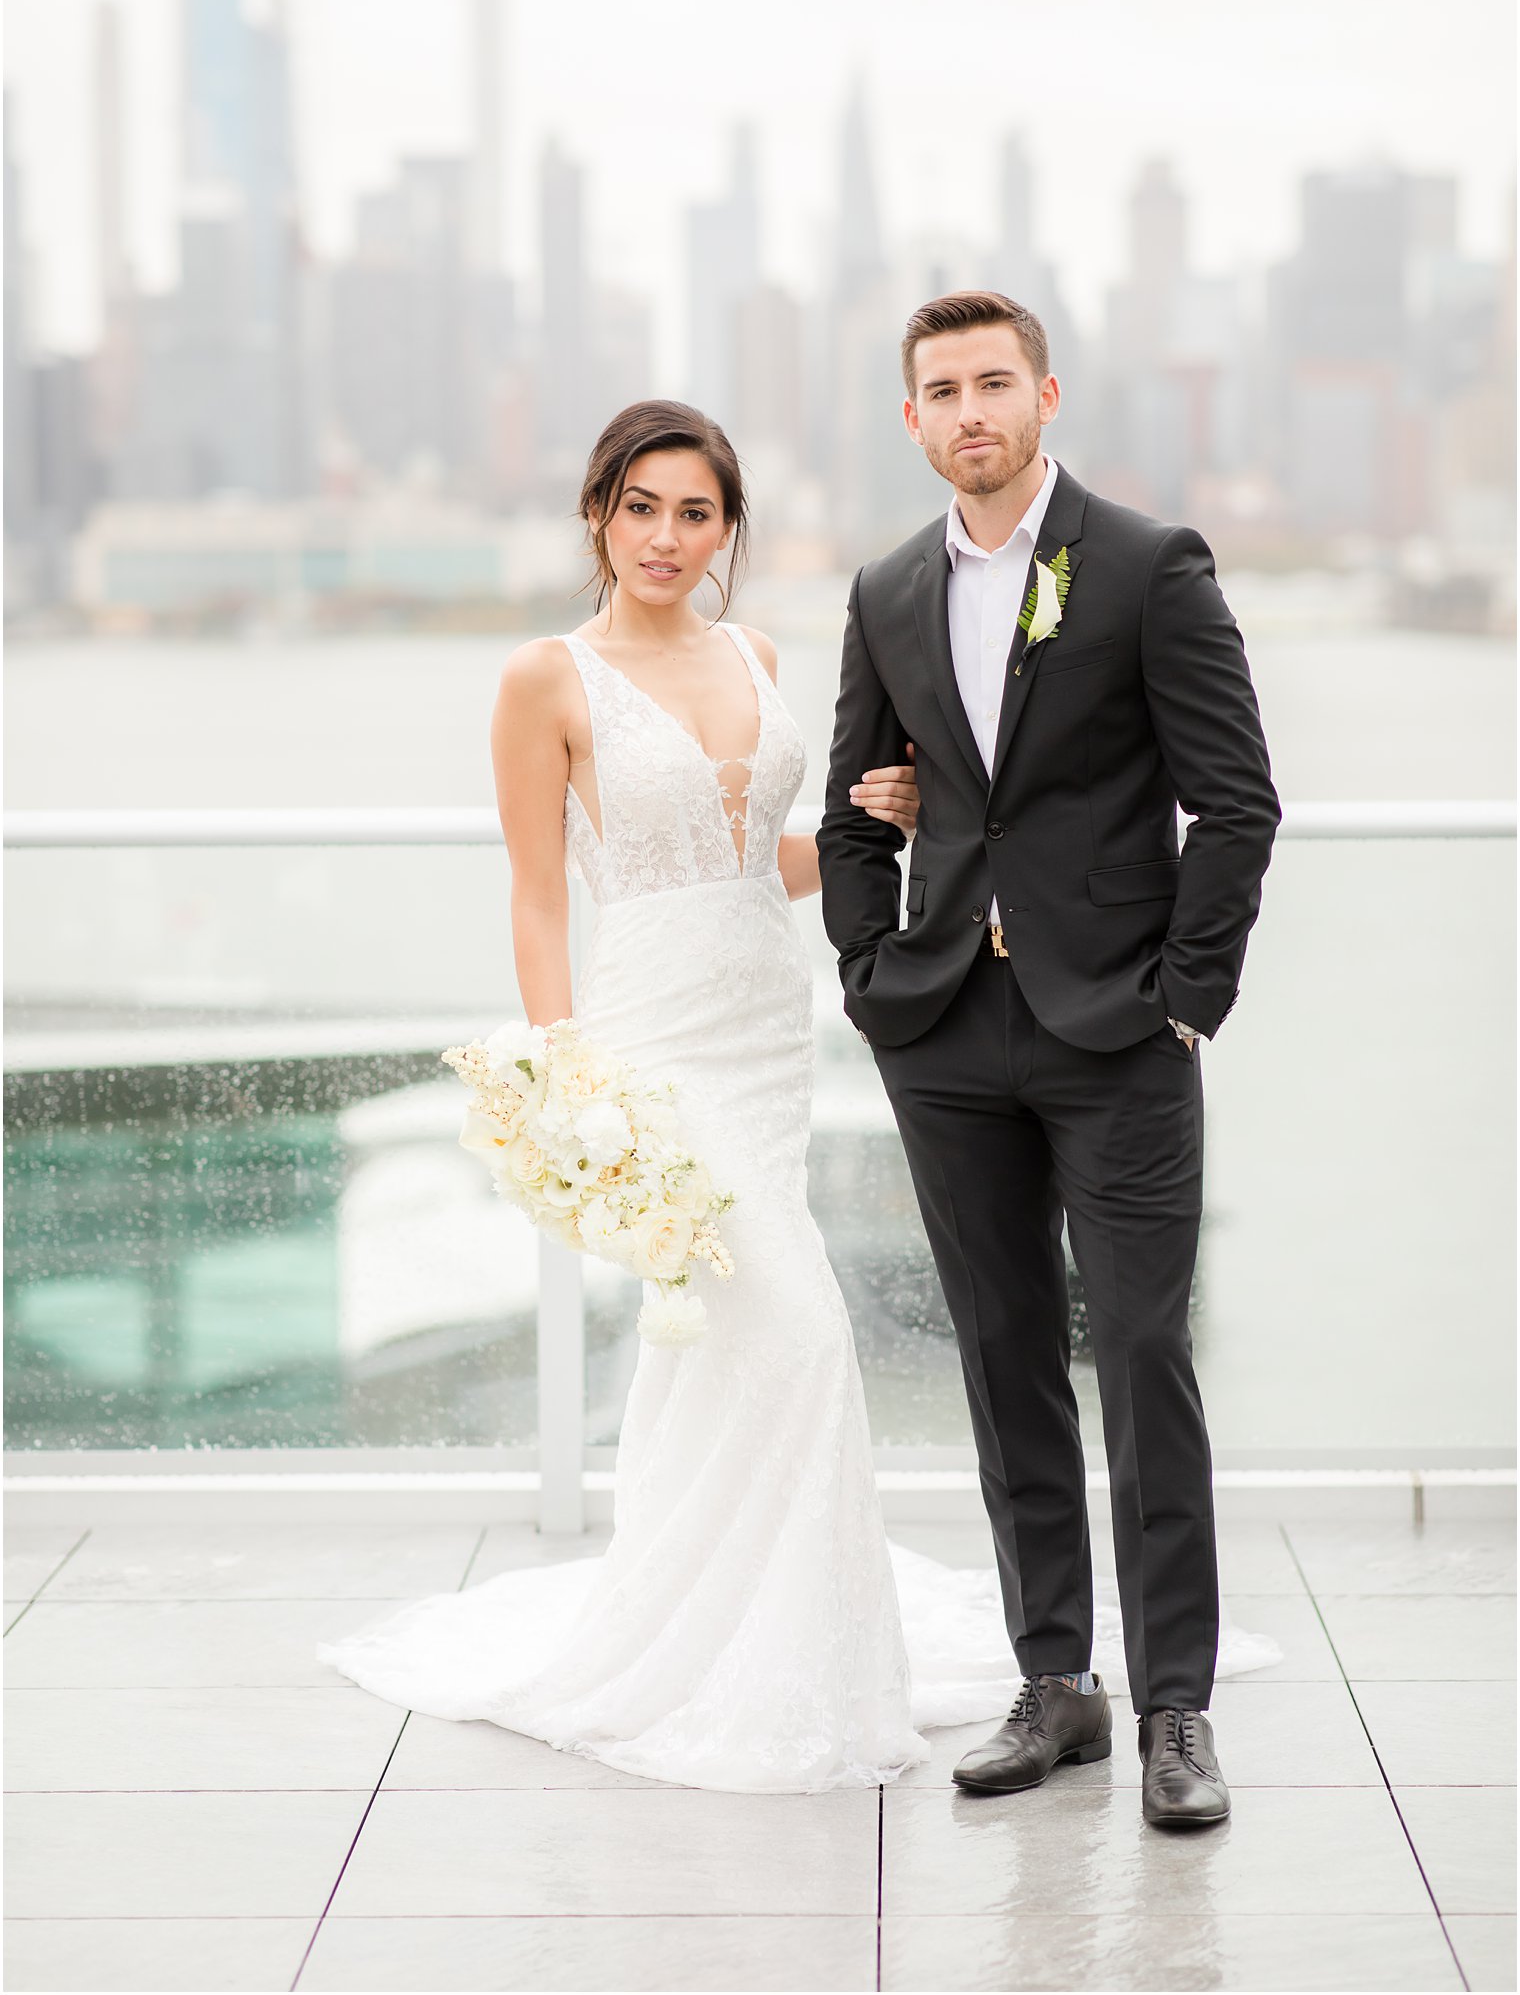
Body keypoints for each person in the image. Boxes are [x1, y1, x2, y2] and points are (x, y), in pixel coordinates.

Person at [318, 392, 1280, 1794]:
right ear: (597, 512)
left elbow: (777, 847)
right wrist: (565, 1067)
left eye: (694, 511)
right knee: (807, 1334)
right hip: (647, 1033)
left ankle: (796, 1630)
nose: (665, 534)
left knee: (719, 1341)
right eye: (639, 506)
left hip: (768, 1021)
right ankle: (785, 1652)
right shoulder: (545, 677)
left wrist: (874, 842)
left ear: (727, 529)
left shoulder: (759, 649)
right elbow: (538, 890)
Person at [816, 290, 1283, 1828]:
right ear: (912, 418)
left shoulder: (1148, 567)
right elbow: (848, 812)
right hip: (948, 1030)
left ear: (1045, 393)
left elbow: (1237, 803)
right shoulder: (886, 589)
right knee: (1005, 1357)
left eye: (993, 381)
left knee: (1144, 1357)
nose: (970, 410)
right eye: (940, 389)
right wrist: (877, 979)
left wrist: (1186, 999)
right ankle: (1054, 1681)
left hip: (1121, 1034)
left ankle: (1177, 1708)